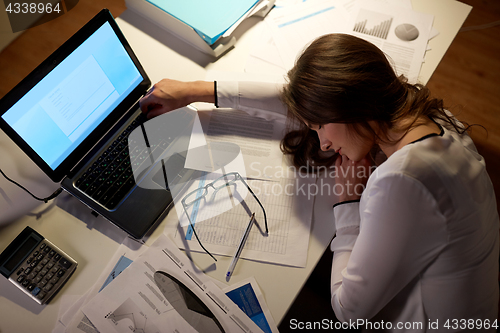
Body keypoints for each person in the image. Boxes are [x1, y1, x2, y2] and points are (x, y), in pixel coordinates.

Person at [139, 33, 499, 331]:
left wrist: (347, 203)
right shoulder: (431, 117)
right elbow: (305, 103)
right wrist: (197, 90)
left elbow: (347, 311)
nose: (323, 142)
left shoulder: (402, 181)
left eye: (319, 126)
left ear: (346, 105)